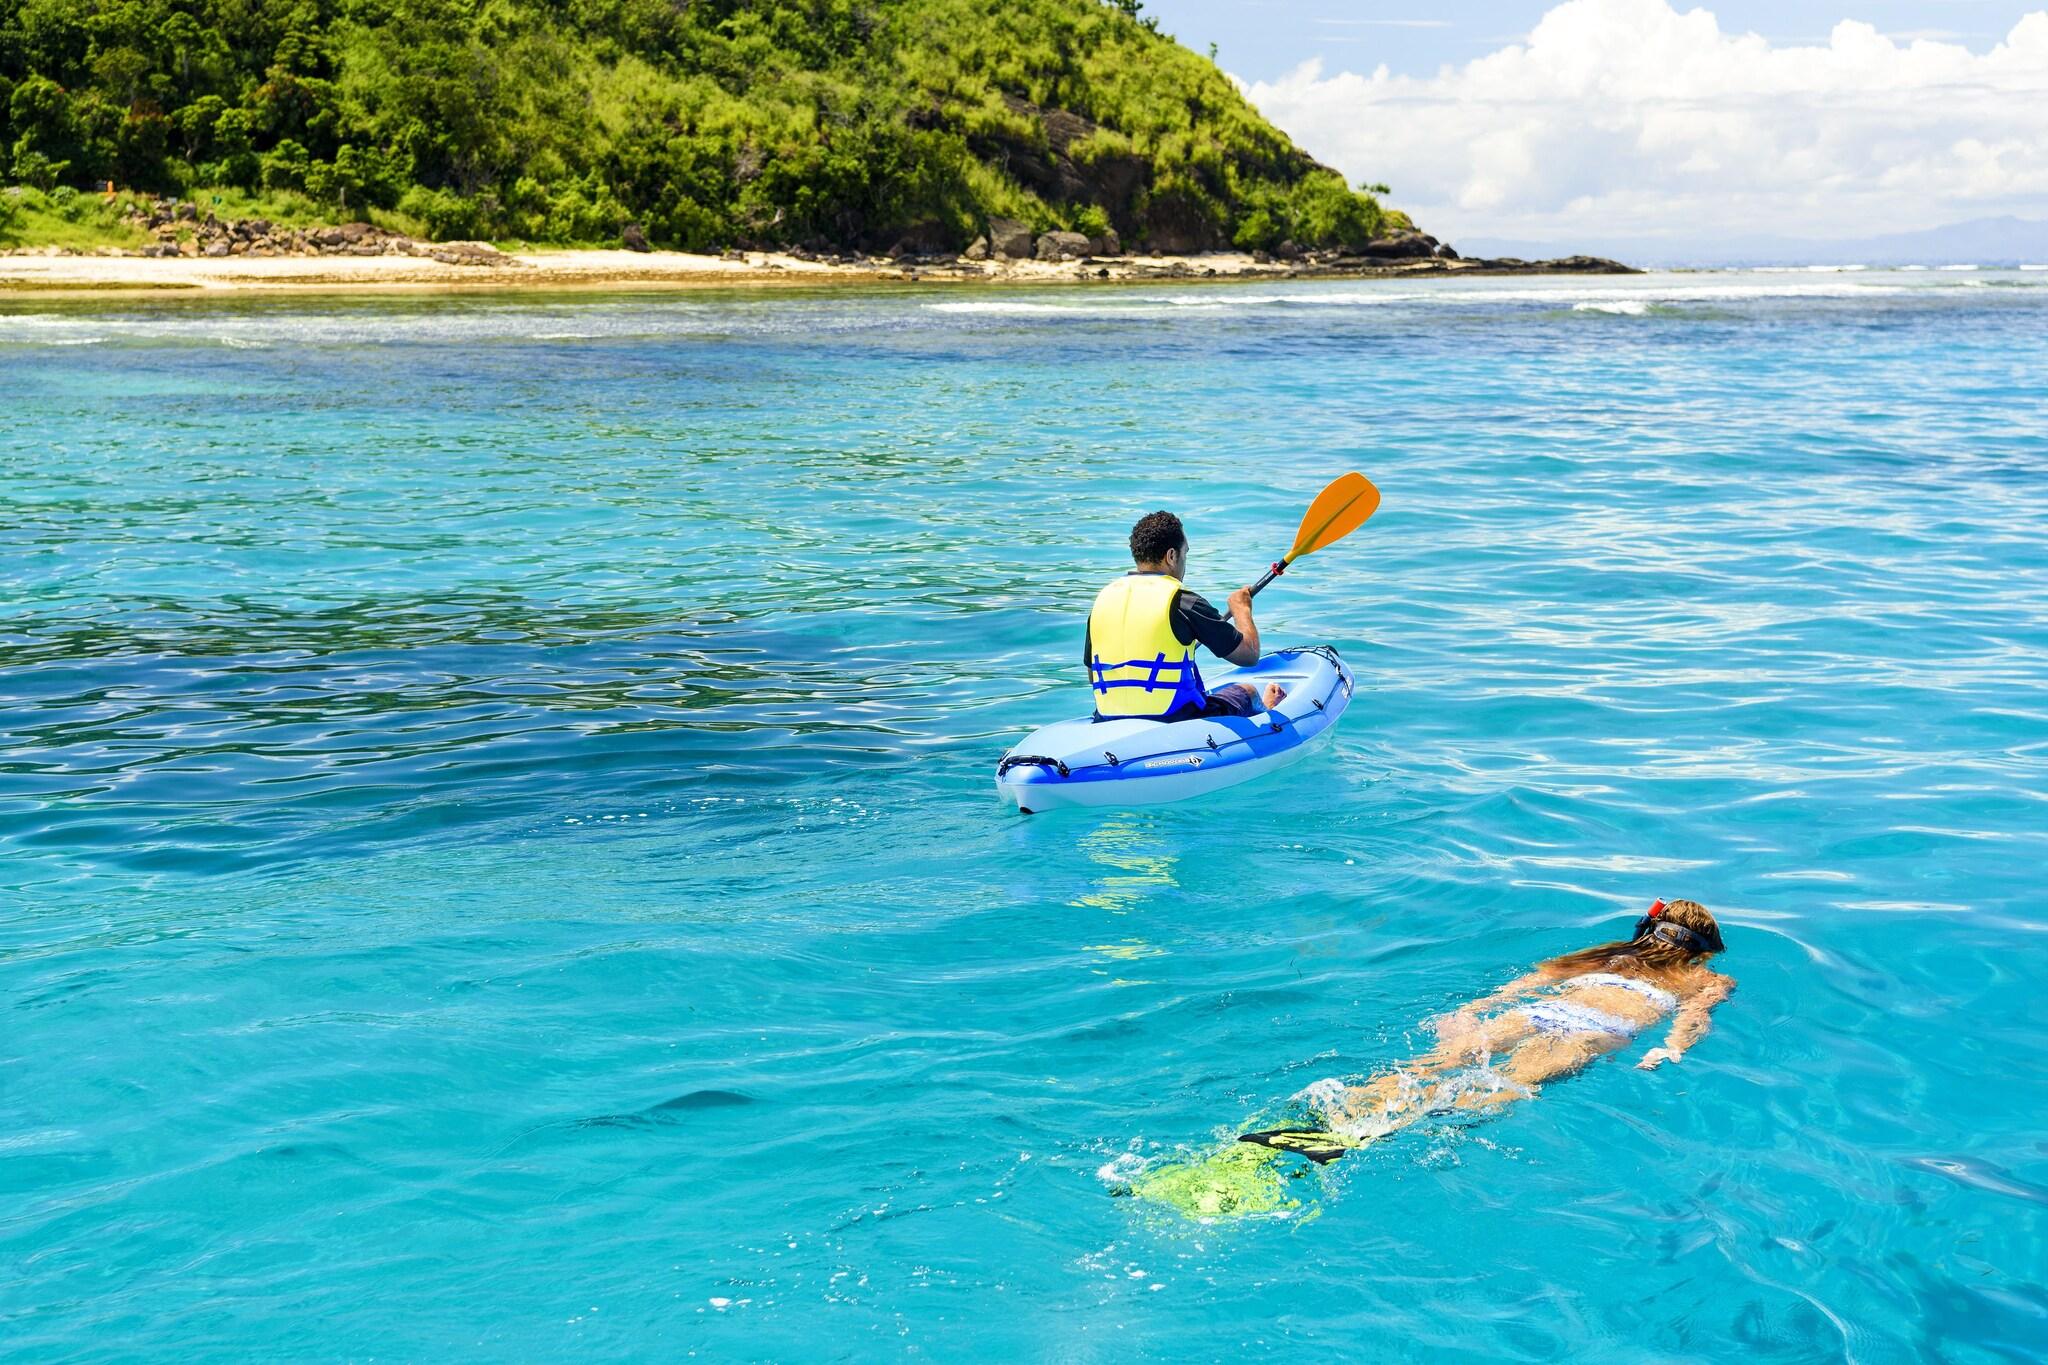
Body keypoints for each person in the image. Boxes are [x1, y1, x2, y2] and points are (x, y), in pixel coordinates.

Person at [1124, 899, 1734, 1216]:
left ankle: (1317, 1126)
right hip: (1589, 1031)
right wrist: (1670, 1050)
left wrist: (1470, 1014)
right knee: (1500, 1091)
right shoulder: (1706, 979)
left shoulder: (1600, 956)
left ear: (1645, 929)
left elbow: (1519, 988)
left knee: (1423, 1070)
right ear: (1702, 950)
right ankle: (1365, 1139)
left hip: (1535, 1015)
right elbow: (1694, 1018)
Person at [1085, 510, 1285, 722]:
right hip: (1175, 717)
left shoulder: (1103, 600)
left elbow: (1093, 676)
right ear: (1171, 556)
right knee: (1247, 691)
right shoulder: (1183, 601)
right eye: (1185, 553)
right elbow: (1249, 655)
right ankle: (1269, 714)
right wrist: (1241, 608)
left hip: (1108, 717)